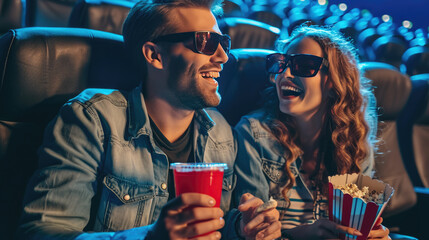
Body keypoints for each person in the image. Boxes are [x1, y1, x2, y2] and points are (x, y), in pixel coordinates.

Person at [17, 0, 281, 239]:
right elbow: (40, 232)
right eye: (205, 42)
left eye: (223, 43)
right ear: (154, 54)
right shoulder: (93, 120)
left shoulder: (221, 131)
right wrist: (150, 237)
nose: (223, 57)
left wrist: (240, 226)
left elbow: (214, 226)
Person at [233, 25, 391, 239]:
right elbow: (257, 230)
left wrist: (375, 235)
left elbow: (357, 226)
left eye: (304, 65)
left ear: (335, 81)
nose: (285, 74)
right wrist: (302, 234)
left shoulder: (356, 139)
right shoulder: (253, 133)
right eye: (281, 64)